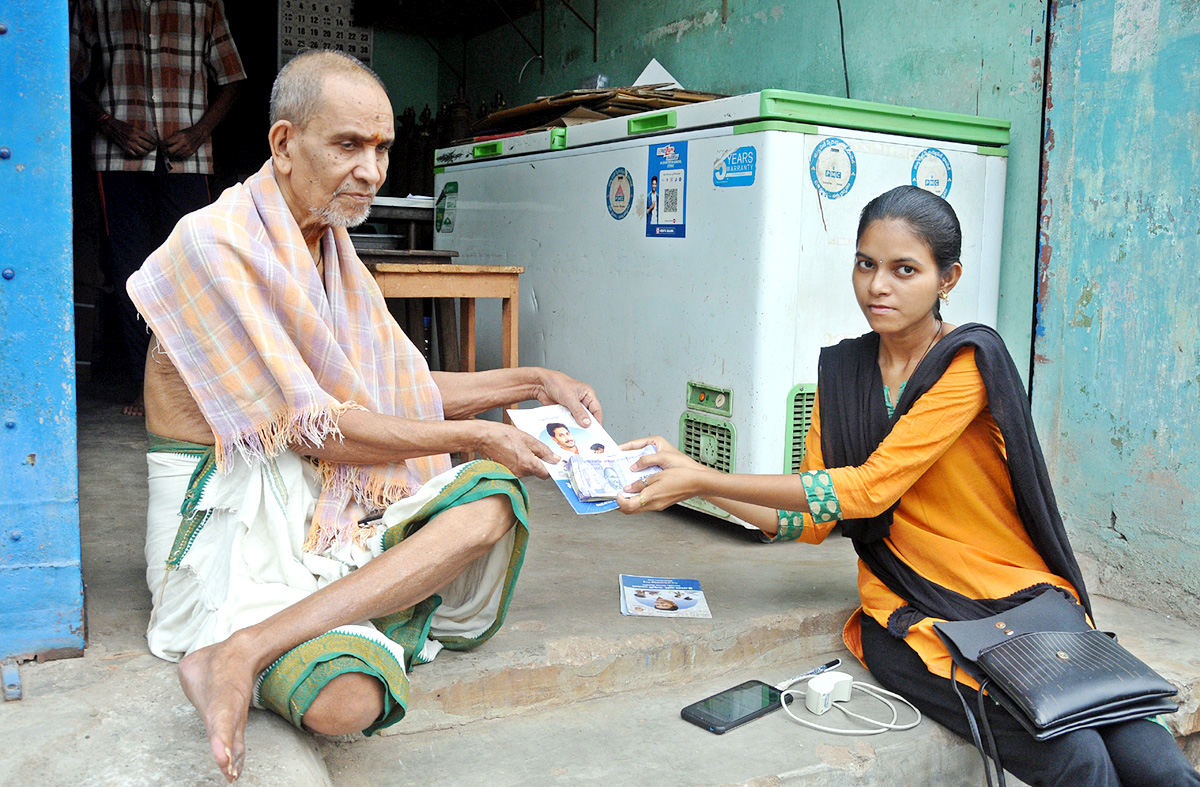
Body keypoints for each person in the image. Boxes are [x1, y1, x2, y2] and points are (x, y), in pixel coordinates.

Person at [617, 186, 1200, 787]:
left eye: (904, 270)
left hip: (1018, 597)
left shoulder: (968, 361)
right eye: (865, 264)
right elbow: (813, 519)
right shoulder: (840, 378)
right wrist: (688, 484)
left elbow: (868, 491)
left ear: (948, 278)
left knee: (1147, 752)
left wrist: (707, 474)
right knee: (1077, 757)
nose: (878, 287)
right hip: (911, 612)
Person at [127, 50, 602, 783]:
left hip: (318, 513)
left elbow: (399, 389)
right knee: (348, 700)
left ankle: (254, 648)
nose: (373, 171)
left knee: (495, 502)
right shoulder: (214, 244)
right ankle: (256, 637)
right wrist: (477, 433)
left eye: (380, 148)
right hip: (227, 541)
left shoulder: (329, 250)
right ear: (284, 145)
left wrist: (533, 379)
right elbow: (331, 427)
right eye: (349, 145)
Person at [71, 0, 247, 416]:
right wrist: (108, 124)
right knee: (129, 270)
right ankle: (143, 384)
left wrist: (198, 133)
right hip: (118, 159)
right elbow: (65, 74)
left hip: (187, 157)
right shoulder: (97, 3)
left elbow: (234, 79)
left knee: (194, 270)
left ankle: (194, 386)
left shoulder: (204, 4)